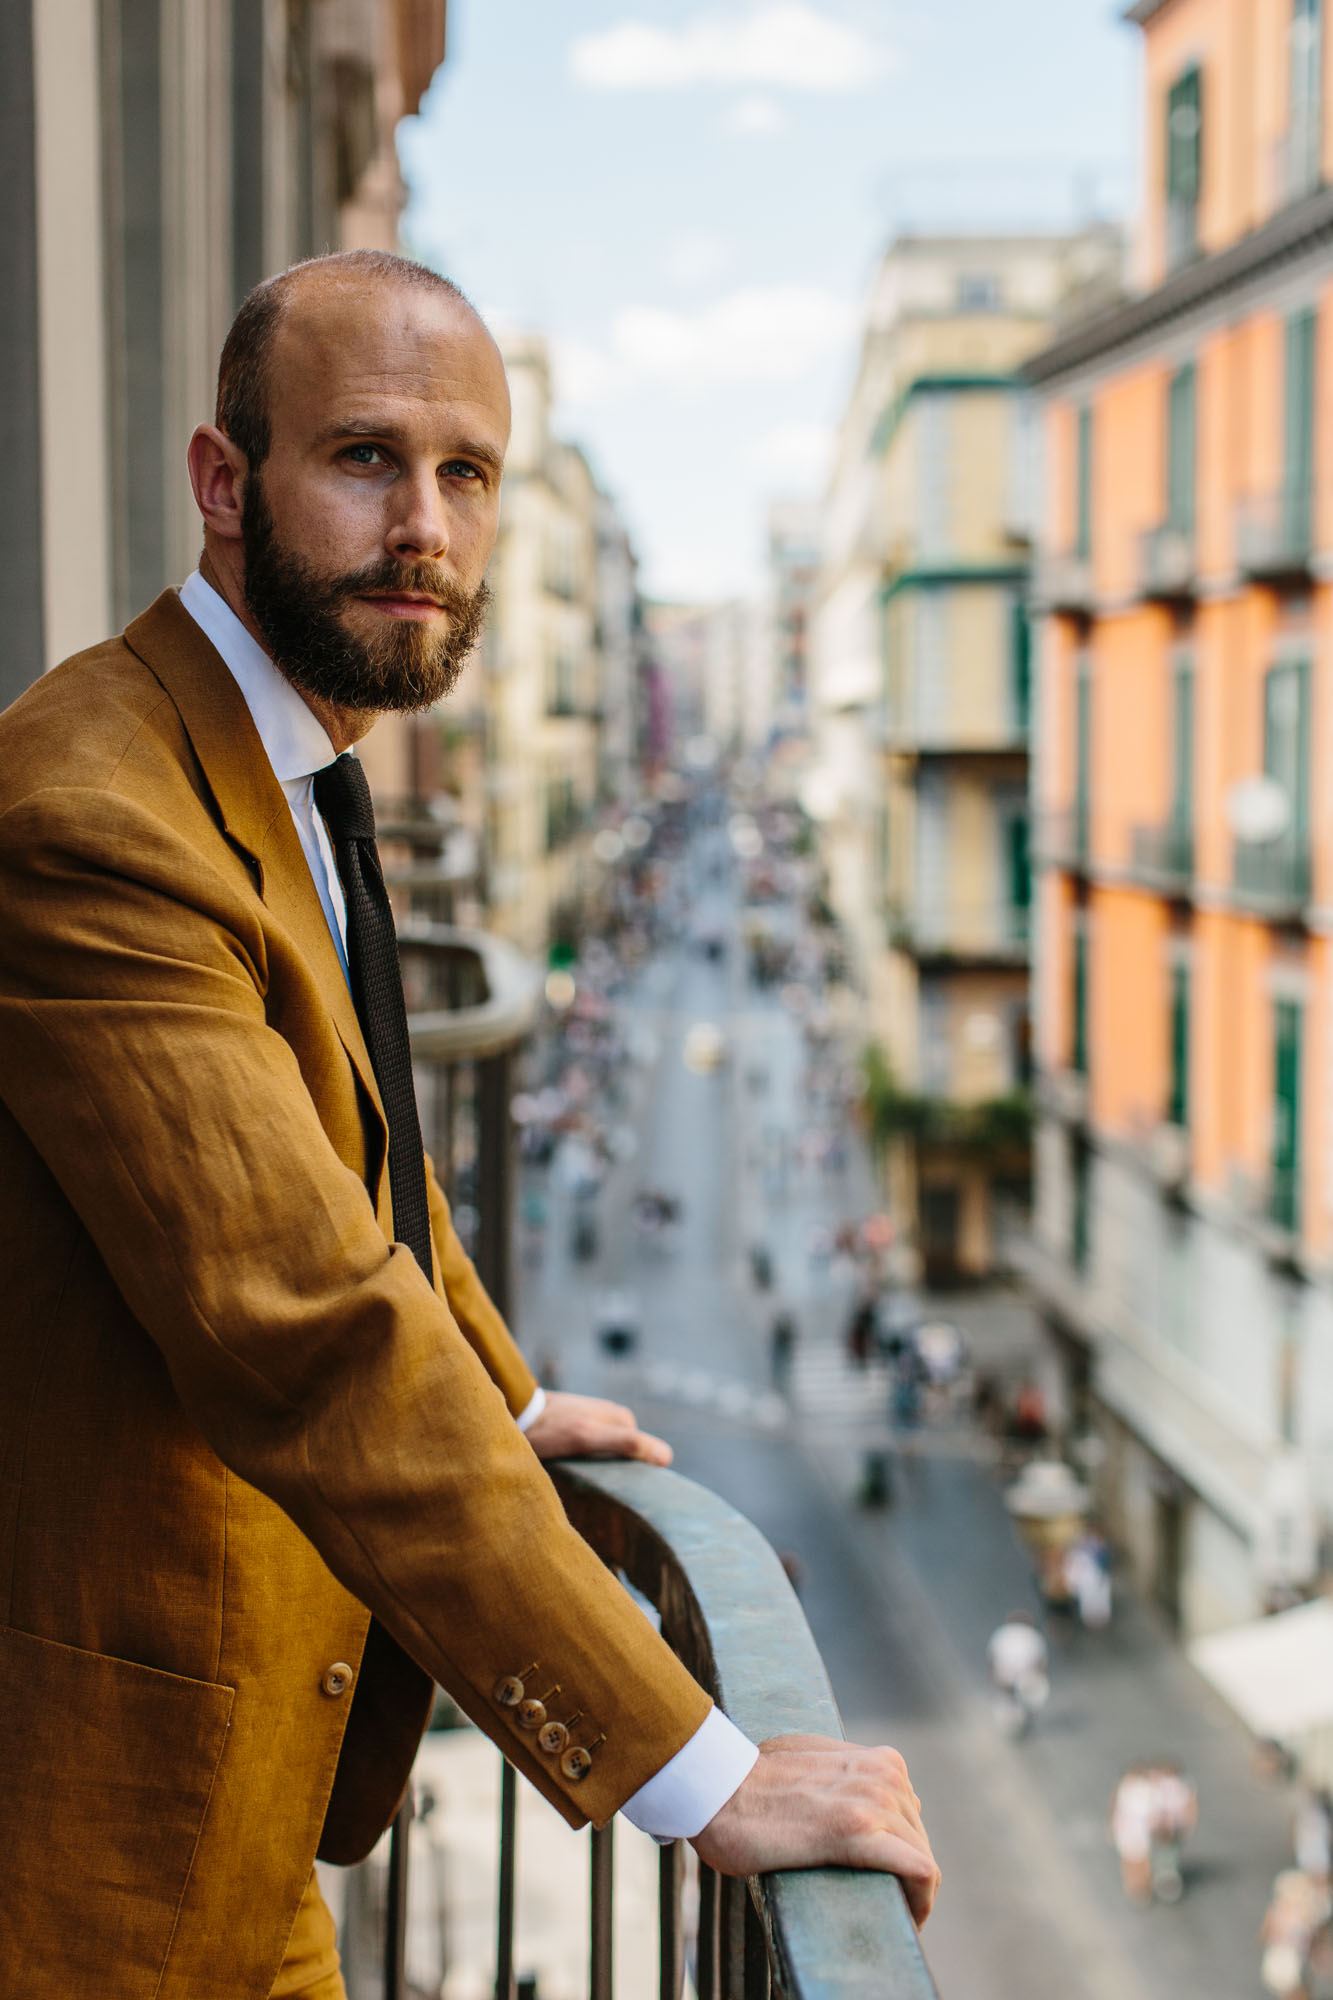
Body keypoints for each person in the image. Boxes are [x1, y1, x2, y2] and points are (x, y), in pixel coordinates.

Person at [0, 252, 937, 1996]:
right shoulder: (89, 813)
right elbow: (305, 1325)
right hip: (94, 1854)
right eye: (363, 459)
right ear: (227, 485)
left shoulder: (272, 765)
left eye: (468, 474)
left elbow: (354, 1165)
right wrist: (699, 1774)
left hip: (245, 1813)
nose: (421, 526)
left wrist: (498, 1390)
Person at [986, 1611, 1050, 1735]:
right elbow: (1041, 1661)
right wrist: (1041, 1677)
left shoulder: (1001, 1634)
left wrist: (992, 1676)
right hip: (1026, 1677)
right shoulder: (1033, 1636)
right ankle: (1019, 1723)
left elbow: (992, 1658)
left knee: (1007, 1699)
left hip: (1004, 1674)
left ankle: (1012, 1724)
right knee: (1026, 1702)